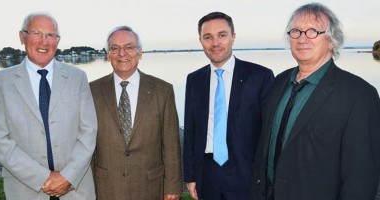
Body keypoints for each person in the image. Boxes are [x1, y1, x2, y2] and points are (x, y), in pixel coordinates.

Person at [250, 3, 380, 200]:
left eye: (313, 31)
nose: (302, 39)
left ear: (332, 41)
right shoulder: (279, 82)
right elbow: (264, 147)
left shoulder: (360, 95)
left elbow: (361, 178)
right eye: (296, 31)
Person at [0, 13, 97, 199]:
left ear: (58, 40)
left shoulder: (77, 78)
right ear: (22, 36)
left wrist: (68, 177)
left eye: (51, 35)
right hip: (25, 190)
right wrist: (43, 178)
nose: (44, 42)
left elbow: (89, 132)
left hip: (75, 190)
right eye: (37, 33)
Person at [183, 12, 274, 200]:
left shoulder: (260, 76)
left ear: (233, 37)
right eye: (208, 37)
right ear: (200, 41)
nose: (215, 43)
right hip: (207, 174)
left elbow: (269, 131)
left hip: (246, 173)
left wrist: (265, 177)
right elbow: (191, 131)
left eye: (222, 35)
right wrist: (190, 176)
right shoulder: (194, 80)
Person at [90, 26, 182, 200]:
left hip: (150, 187)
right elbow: (86, 144)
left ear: (140, 52)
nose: (122, 53)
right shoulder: (91, 91)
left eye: (129, 47)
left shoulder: (163, 91)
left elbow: (171, 145)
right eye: (115, 48)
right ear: (108, 54)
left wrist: (172, 187)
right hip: (104, 188)